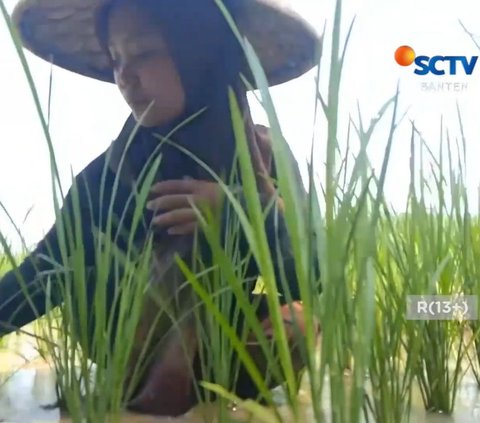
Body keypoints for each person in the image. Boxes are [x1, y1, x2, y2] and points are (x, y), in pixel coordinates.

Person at [1, 0, 320, 417]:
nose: (125, 77)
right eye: (116, 60)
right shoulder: (111, 174)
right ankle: (154, 397)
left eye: (144, 53)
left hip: (224, 357)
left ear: (198, 53)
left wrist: (239, 214)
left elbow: (314, 279)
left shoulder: (266, 158)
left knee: (300, 321)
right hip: (128, 344)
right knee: (178, 253)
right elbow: (45, 274)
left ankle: (192, 394)